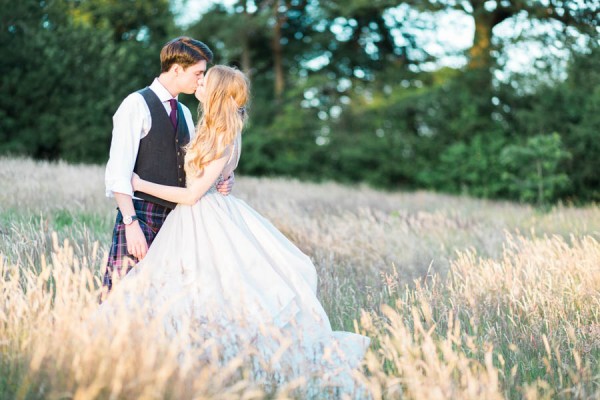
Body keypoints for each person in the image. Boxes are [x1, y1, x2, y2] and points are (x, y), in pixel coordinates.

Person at [103, 65, 370, 394]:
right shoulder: (208, 124)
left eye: (206, 78)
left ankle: (225, 367)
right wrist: (224, 177)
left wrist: (140, 183)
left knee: (218, 290)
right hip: (196, 217)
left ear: (214, 91)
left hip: (204, 215)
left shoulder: (226, 132)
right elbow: (212, 176)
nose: (199, 82)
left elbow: (191, 194)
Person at [102, 37, 234, 300]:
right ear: (176, 69)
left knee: (163, 303)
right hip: (141, 215)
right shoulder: (135, 104)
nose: (201, 80)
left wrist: (223, 177)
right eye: (197, 73)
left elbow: (195, 166)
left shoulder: (185, 112)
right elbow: (119, 174)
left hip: (178, 222)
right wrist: (131, 224)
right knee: (118, 299)